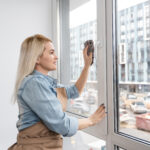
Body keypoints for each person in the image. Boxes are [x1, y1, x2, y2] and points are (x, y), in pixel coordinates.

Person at [8, 34, 106, 150]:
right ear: (36, 58)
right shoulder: (34, 83)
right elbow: (61, 124)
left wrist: (86, 66)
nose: (56, 57)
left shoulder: (46, 83)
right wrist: (91, 120)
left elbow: (74, 91)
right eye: (51, 52)